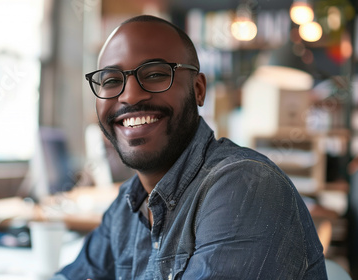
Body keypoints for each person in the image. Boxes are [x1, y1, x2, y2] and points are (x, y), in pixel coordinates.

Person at [52, 15, 327, 279]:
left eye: (156, 74)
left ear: (198, 89)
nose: (130, 95)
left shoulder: (246, 186)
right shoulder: (128, 204)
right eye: (111, 80)